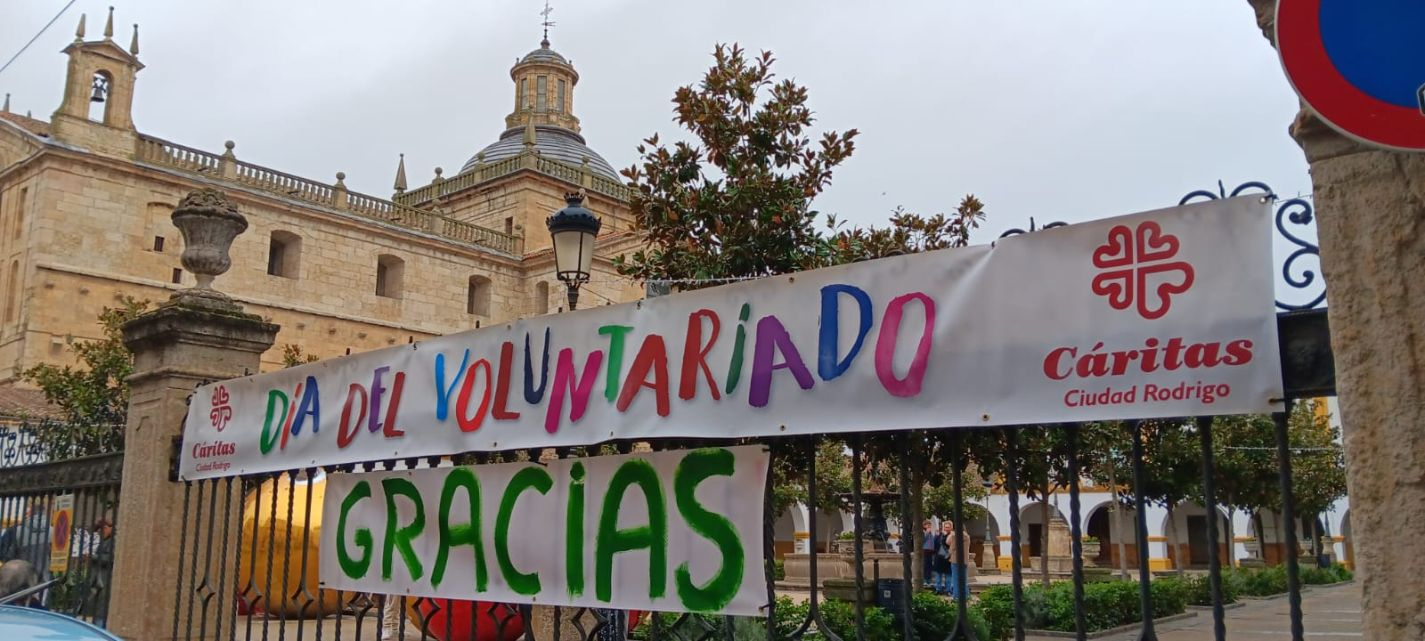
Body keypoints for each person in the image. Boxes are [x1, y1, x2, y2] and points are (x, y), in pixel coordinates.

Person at [932, 522, 953, 595]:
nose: (946, 528)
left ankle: (948, 590)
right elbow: (935, 545)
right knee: (938, 575)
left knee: (948, 575)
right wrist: (936, 536)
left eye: (948, 527)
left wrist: (945, 537)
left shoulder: (952, 535)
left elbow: (949, 544)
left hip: (948, 558)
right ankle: (938, 589)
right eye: (945, 527)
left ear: (951, 528)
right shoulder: (939, 535)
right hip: (939, 558)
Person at [919, 520, 935, 588]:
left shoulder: (931, 533)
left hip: (930, 551)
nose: (929, 526)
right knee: (925, 566)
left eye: (930, 525)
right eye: (927, 525)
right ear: (924, 526)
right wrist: (926, 533)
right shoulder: (923, 532)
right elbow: (921, 540)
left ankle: (928, 580)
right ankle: (925, 580)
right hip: (925, 550)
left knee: (929, 566)